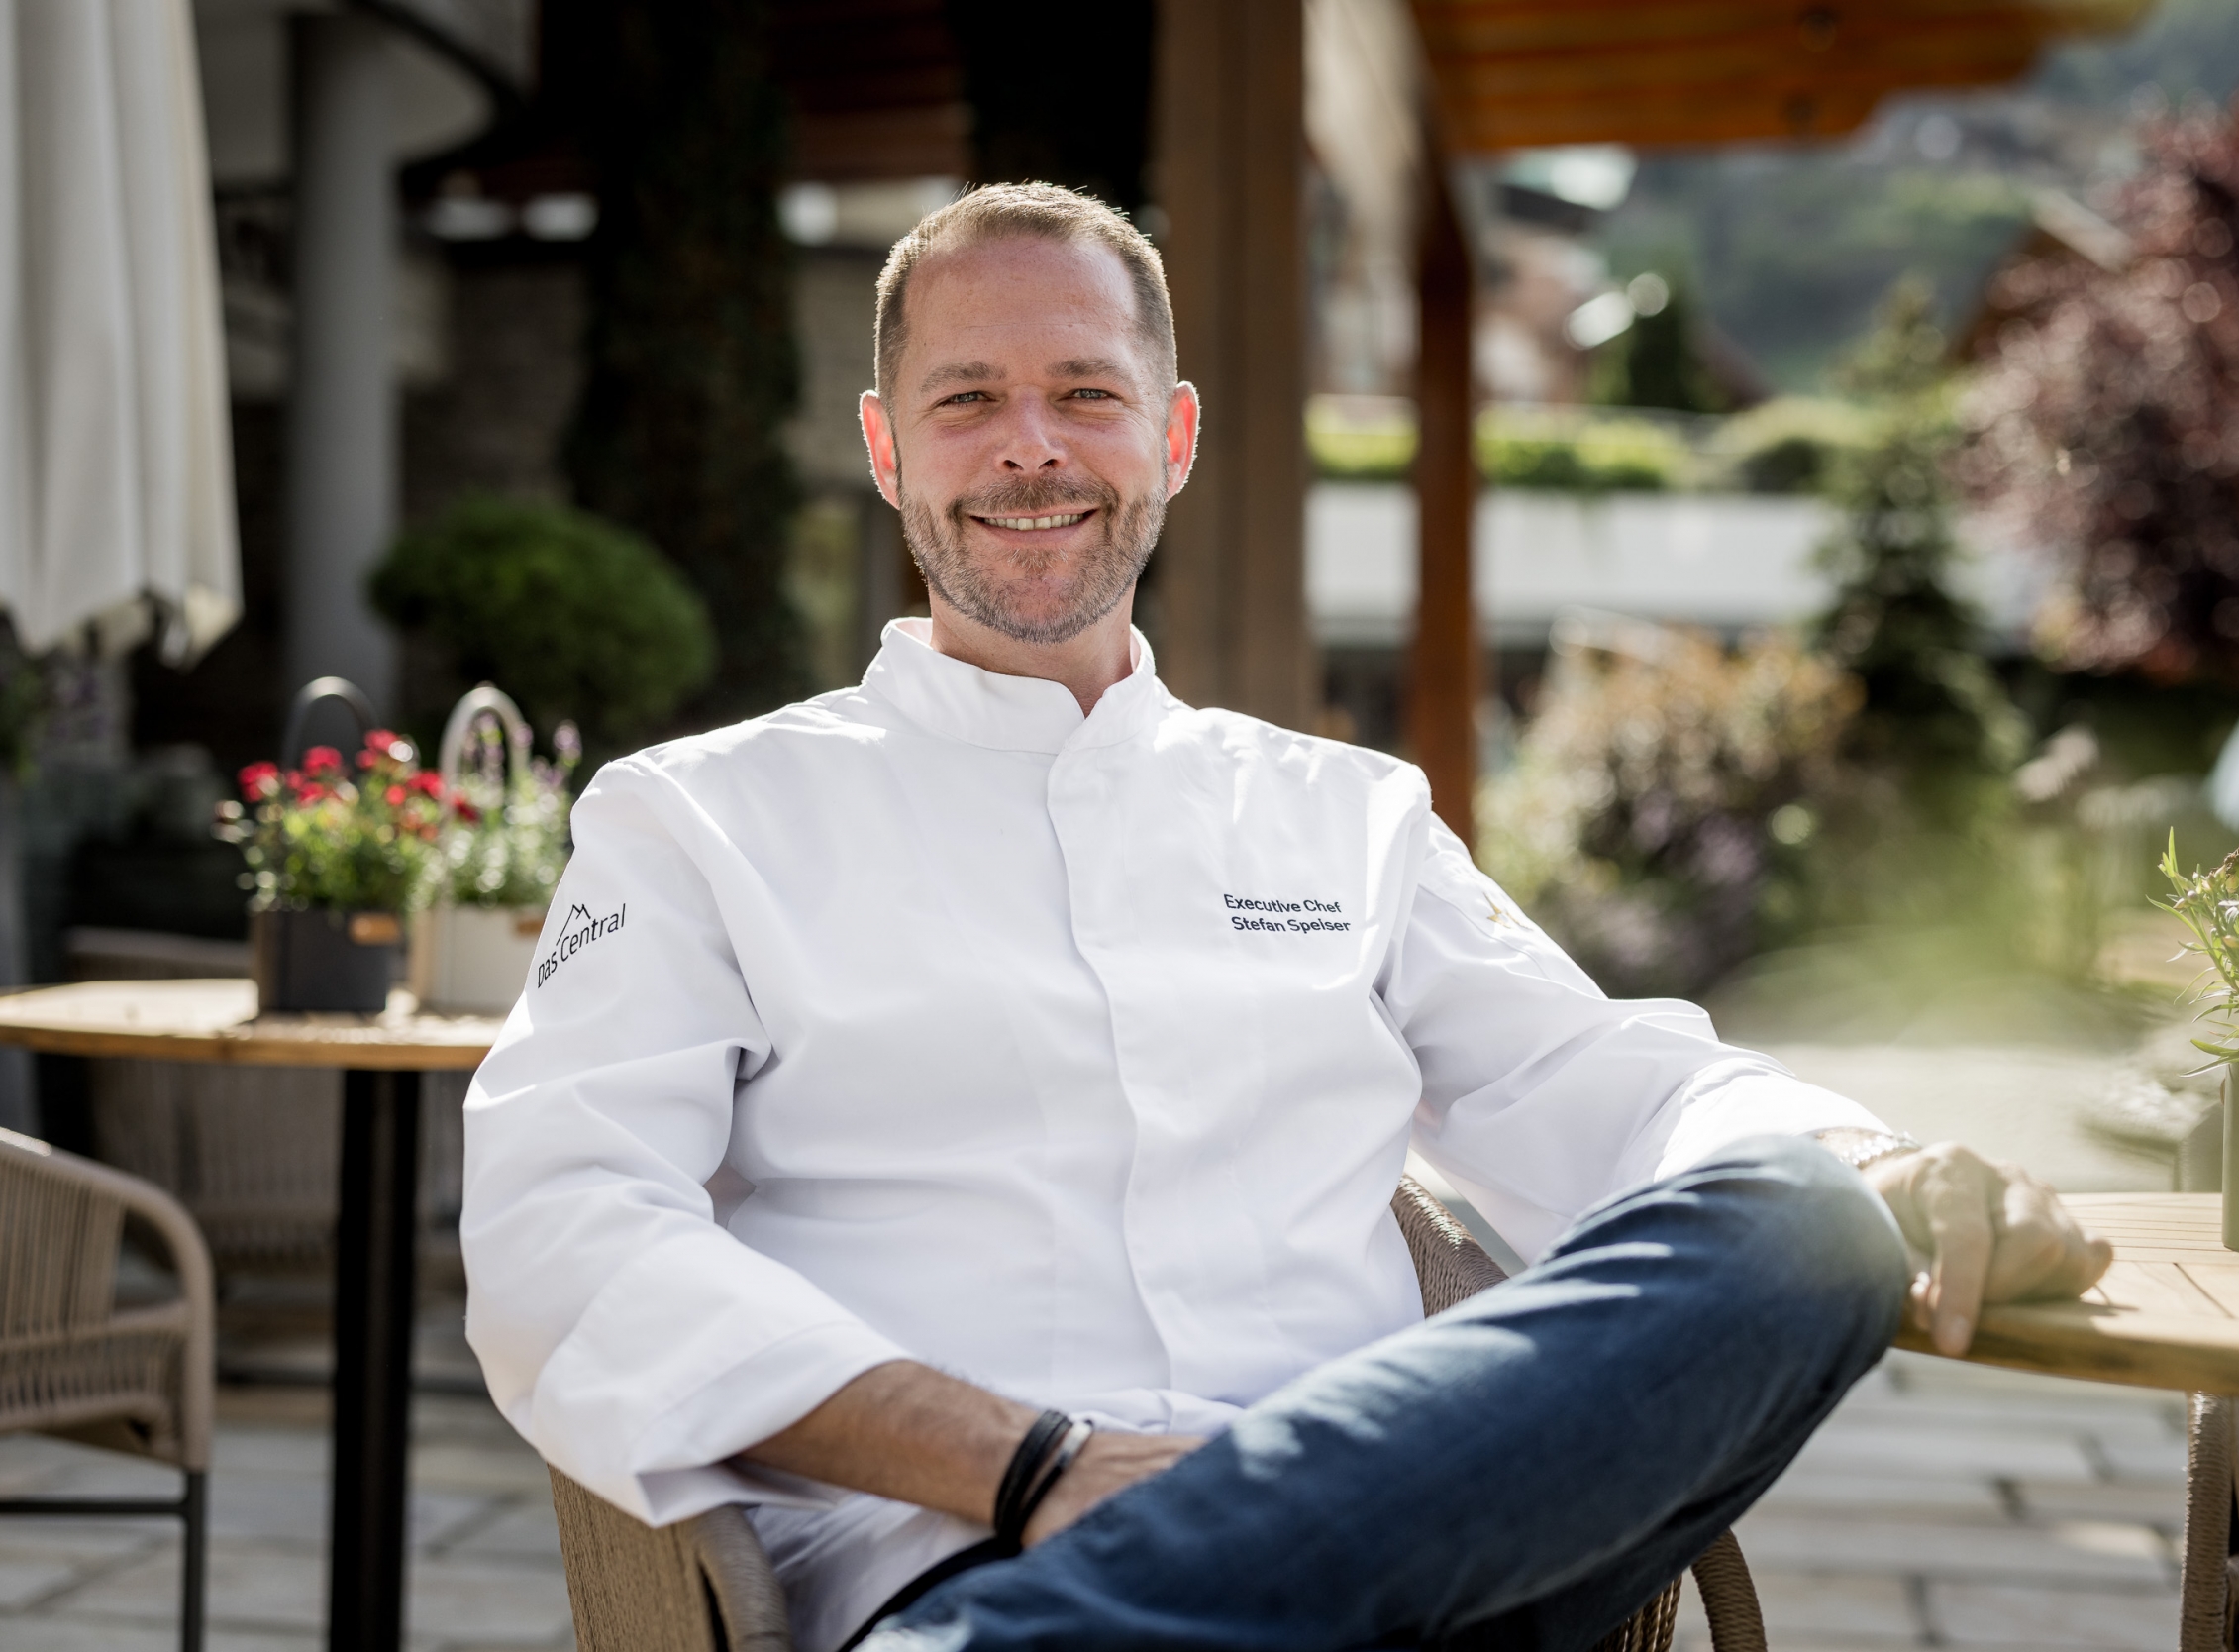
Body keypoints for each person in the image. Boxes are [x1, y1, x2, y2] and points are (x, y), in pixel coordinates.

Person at [461, 182, 2110, 1652]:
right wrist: (1032, 1464)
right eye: (968, 399)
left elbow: (1604, 1082)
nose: (1030, 444)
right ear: (889, 451)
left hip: (1418, 1558)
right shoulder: (699, 818)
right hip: (981, 1576)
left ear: (1170, 439)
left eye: (1083, 394)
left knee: (1797, 1225)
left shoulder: (1349, 818)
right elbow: (563, 1231)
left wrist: (1875, 1164)